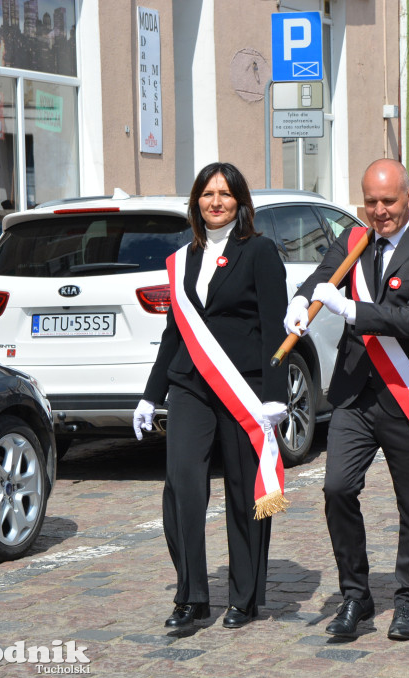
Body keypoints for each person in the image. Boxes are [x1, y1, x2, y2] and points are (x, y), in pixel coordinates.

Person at [283, 159, 409, 642]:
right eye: (371, 201)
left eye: (389, 201)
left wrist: (350, 309)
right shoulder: (353, 241)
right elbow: (320, 277)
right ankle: (356, 594)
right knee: (337, 488)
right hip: (355, 392)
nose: (379, 211)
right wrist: (299, 302)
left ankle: (408, 598)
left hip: (407, 394)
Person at [133, 162, 289, 629]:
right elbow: (174, 333)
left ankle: (244, 595)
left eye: (225, 194)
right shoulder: (183, 258)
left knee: (245, 493)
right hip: (189, 387)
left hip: (243, 386)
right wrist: (149, 395)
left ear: (240, 202)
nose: (215, 201)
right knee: (182, 487)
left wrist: (275, 394)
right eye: (207, 193)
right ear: (196, 201)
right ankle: (192, 596)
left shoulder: (259, 251)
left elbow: (274, 328)